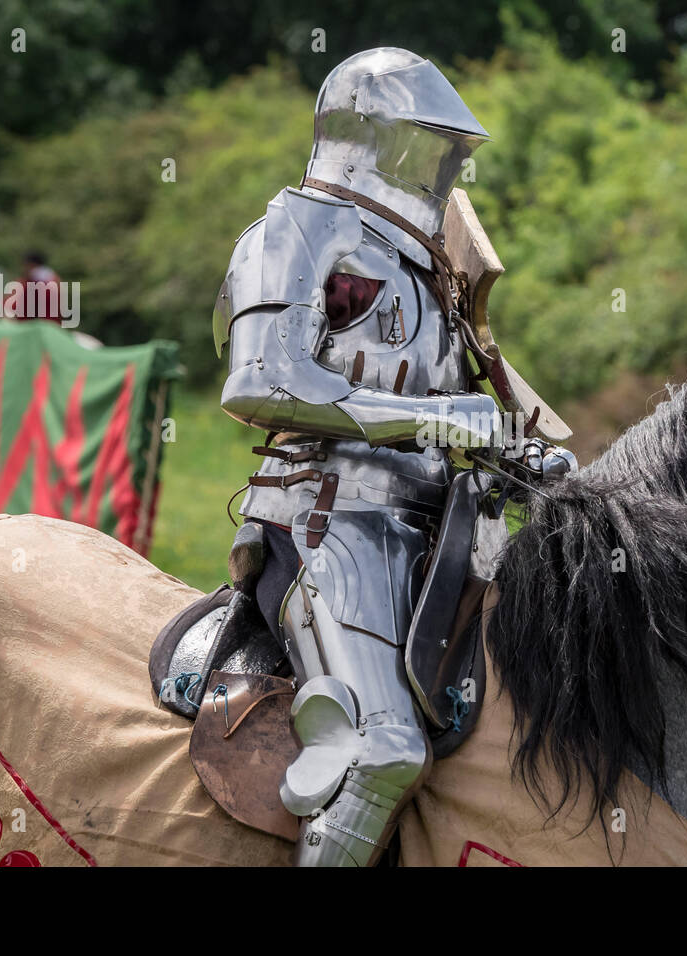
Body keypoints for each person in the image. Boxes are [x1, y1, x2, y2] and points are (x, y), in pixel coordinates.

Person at [213, 47, 574, 865]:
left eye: (445, 150)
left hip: (445, 538)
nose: (436, 167)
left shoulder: (434, 269)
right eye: (419, 143)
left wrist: (519, 459)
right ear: (361, 135)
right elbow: (262, 381)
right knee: (385, 752)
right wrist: (439, 422)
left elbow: (462, 418)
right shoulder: (296, 227)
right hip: (327, 520)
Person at [4, 251, 62, 322]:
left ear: (31, 265)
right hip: (51, 327)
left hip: (30, 327)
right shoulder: (55, 280)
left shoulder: (25, 283)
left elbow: (9, 307)